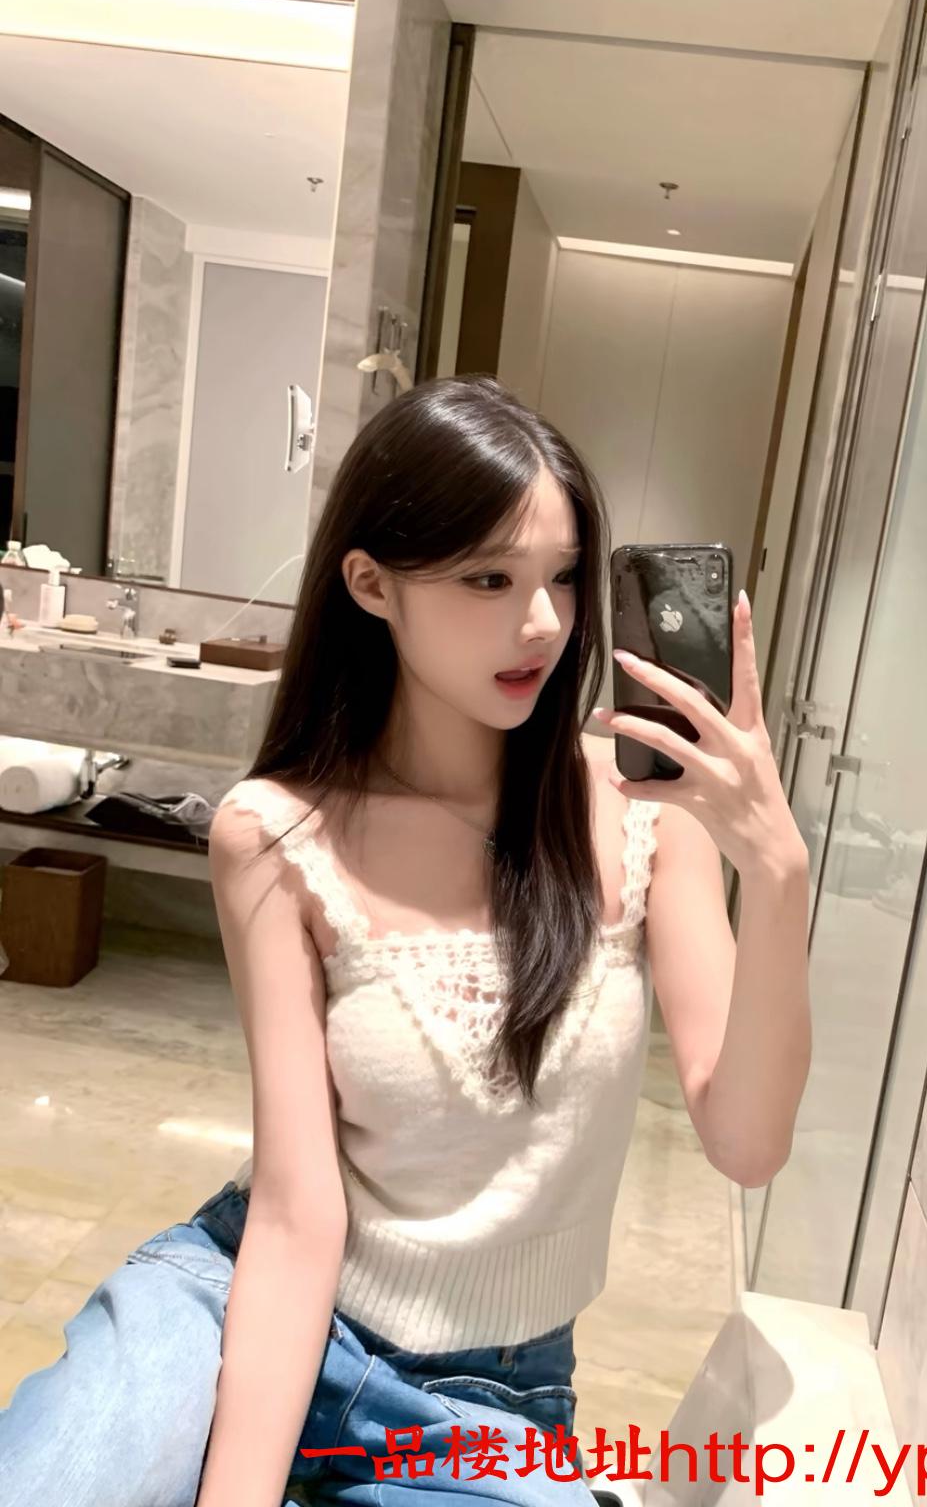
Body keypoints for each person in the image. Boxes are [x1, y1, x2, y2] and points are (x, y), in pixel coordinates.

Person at [0, 375, 811, 1506]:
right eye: (489, 578)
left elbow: (748, 1147)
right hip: (235, 1302)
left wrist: (777, 874)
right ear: (372, 584)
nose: (544, 623)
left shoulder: (646, 818)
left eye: (563, 576)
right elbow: (297, 1210)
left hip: (489, 1398)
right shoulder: (277, 834)